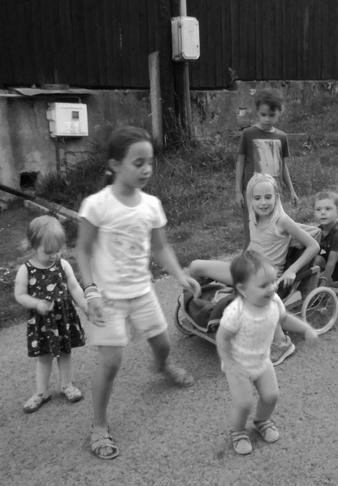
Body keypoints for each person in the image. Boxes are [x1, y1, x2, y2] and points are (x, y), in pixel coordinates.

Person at [76, 125, 201, 461]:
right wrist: (90, 291)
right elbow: (83, 251)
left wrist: (180, 275)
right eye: (138, 162)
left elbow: (160, 247)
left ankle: (162, 366)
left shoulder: (152, 205)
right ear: (115, 165)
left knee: (163, 344)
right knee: (111, 362)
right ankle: (99, 426)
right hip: (107, 298)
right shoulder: (96, 205)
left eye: (150, 162)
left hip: (143, 292)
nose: (147, 169)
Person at [189, 173, 320, 365]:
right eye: (257, 198)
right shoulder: (253, 217)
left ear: (276, 196)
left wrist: (292, 269)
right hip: (245, 268)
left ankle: (281, 343)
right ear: (250, 199)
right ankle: (198, 303)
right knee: (195, 266)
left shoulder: (281, 220)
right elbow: (253, 245)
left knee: (253, 298)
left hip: (265, 277)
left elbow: (313, 246)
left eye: (268, 197)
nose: (263, 202)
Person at [216, 250, 318, 455]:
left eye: (273, 282)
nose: (272, 288)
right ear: (243, 289)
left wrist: (305, 328)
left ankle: (262, 420)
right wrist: (229, 363)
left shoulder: (274, 301)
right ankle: (238, 431)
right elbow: (222, 338)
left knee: (271, 396)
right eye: (263, 285)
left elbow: (284, 319)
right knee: (244, 403)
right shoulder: (236, 312)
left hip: (262, 361)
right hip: (238, 366)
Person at [14, 215, 87, 413]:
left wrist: (85, 305)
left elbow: (74, 287)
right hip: (42, 323)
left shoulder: (63, 265)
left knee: (65, 352)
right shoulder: (26, 270)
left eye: (58, 249)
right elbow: (20, 295)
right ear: (33, 246)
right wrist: (37, 303)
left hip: (63, 319)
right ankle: (41, 392)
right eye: (48, 252)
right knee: (44, 357)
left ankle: (67, 385)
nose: (54, 255)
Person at [235, 88, 298, 246]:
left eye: (271, 115)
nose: (267, 119)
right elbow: (240, 162)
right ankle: (249, 258)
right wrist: (238, 191)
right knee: (252, 231)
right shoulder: (248, 134)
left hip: (274, 193)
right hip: (253, 193)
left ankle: (271, 258)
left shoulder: (282, 137)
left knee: (274, 230)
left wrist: (291, 190)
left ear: (279, 113)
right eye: (263, 115)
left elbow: (283, 166)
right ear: (257, 112)